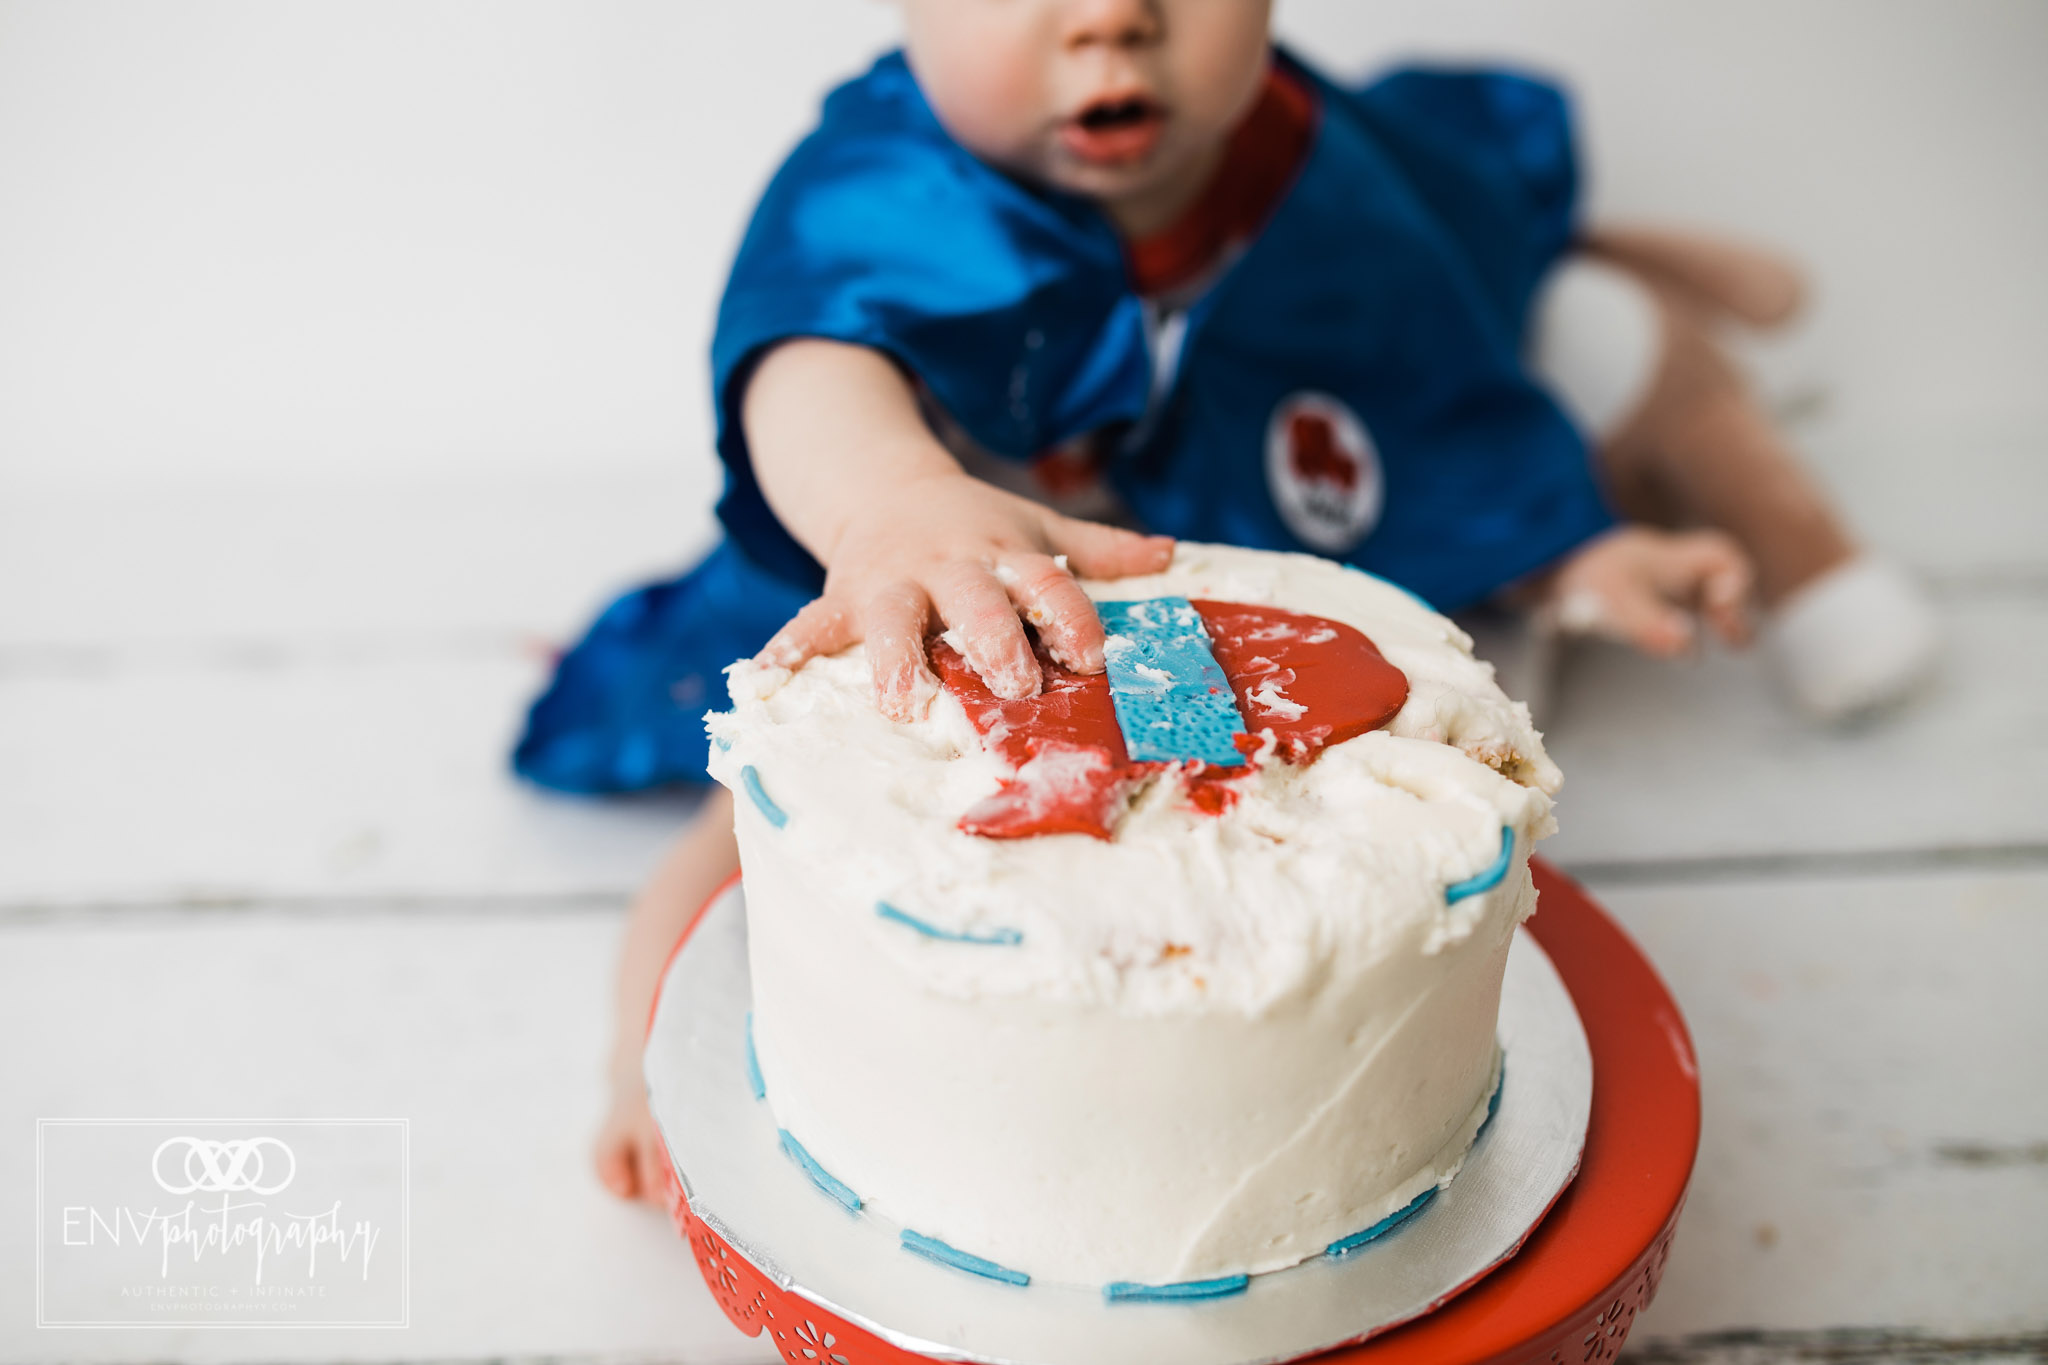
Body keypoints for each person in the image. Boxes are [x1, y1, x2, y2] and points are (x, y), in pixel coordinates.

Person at [526, 0, 1936, 1204]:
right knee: (747, 841)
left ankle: (1675, 360)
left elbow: (1422, 382)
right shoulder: (883, 187)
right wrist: (890, 498)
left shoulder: (1311, 178)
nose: (1111, 16)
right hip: (981, 580)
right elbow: (808, 361)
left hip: (1234, 572)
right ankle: (651, 1056)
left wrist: (1569, 552)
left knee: (1552, 333)